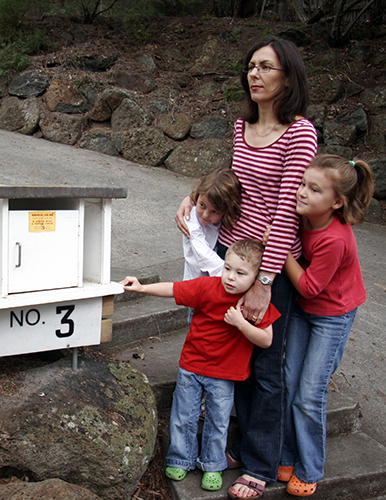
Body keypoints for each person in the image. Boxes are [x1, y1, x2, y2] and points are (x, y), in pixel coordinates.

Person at [175, 36, 318, 500]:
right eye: (251, 66)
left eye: (266, 67)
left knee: (266, 368)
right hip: (232, 262)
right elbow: (234, 187)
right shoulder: (242, 126)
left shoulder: (300, 132)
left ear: (287, 77)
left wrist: (266, 281)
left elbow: (285, 209)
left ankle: (259, 462)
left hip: (268, 269)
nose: (254, 74)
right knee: (228, 358)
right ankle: (234, 445)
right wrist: (195, 201)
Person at [120, 239, 281, 492]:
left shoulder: (254, 305)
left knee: (218, 421)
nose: (230, 277)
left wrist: (241, 323)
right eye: (227, 268)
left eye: (240, 273)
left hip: (224, 374)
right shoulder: (208, 287)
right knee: (183, 414)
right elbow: (174, 289)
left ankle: (213, 464)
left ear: (256, 277)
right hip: (192, 365)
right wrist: (141, 288)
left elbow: (267, 339)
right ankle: (180, 458)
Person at [277, 155, 374, 497]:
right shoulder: (302, 217)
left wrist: (281, 249)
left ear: (336, 202)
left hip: (332, 316)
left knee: (309, 393)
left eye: (313, 189)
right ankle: (287, 454)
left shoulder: (335, 239)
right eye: (303, 184)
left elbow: (308, 287)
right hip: (307, 312)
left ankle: (310, 467)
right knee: (289, 381)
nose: (301, 192)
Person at [180, 168, 242, 321]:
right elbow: (202, 253)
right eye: (202, 205)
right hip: (195, 286)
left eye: (215, 212)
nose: (206, 215)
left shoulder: (223, 222)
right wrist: (228, 273)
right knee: (195, 324)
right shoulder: (192, 218)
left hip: (212, 285)